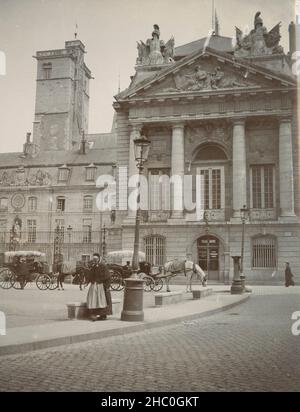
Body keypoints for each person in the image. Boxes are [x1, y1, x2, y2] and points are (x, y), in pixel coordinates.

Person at [86, 253, 112, 321]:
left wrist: (107, 286)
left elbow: (108, 276)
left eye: (96, 259)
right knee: (93, 299)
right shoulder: (93, 266)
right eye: (94, 259)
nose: (95, 260)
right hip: (94, 285)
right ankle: (94, 314)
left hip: (101, 286)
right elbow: (90, 275)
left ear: (99, 259)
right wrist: (87, 282)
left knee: (101, 300)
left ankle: (103, 315)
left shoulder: (103, 266)